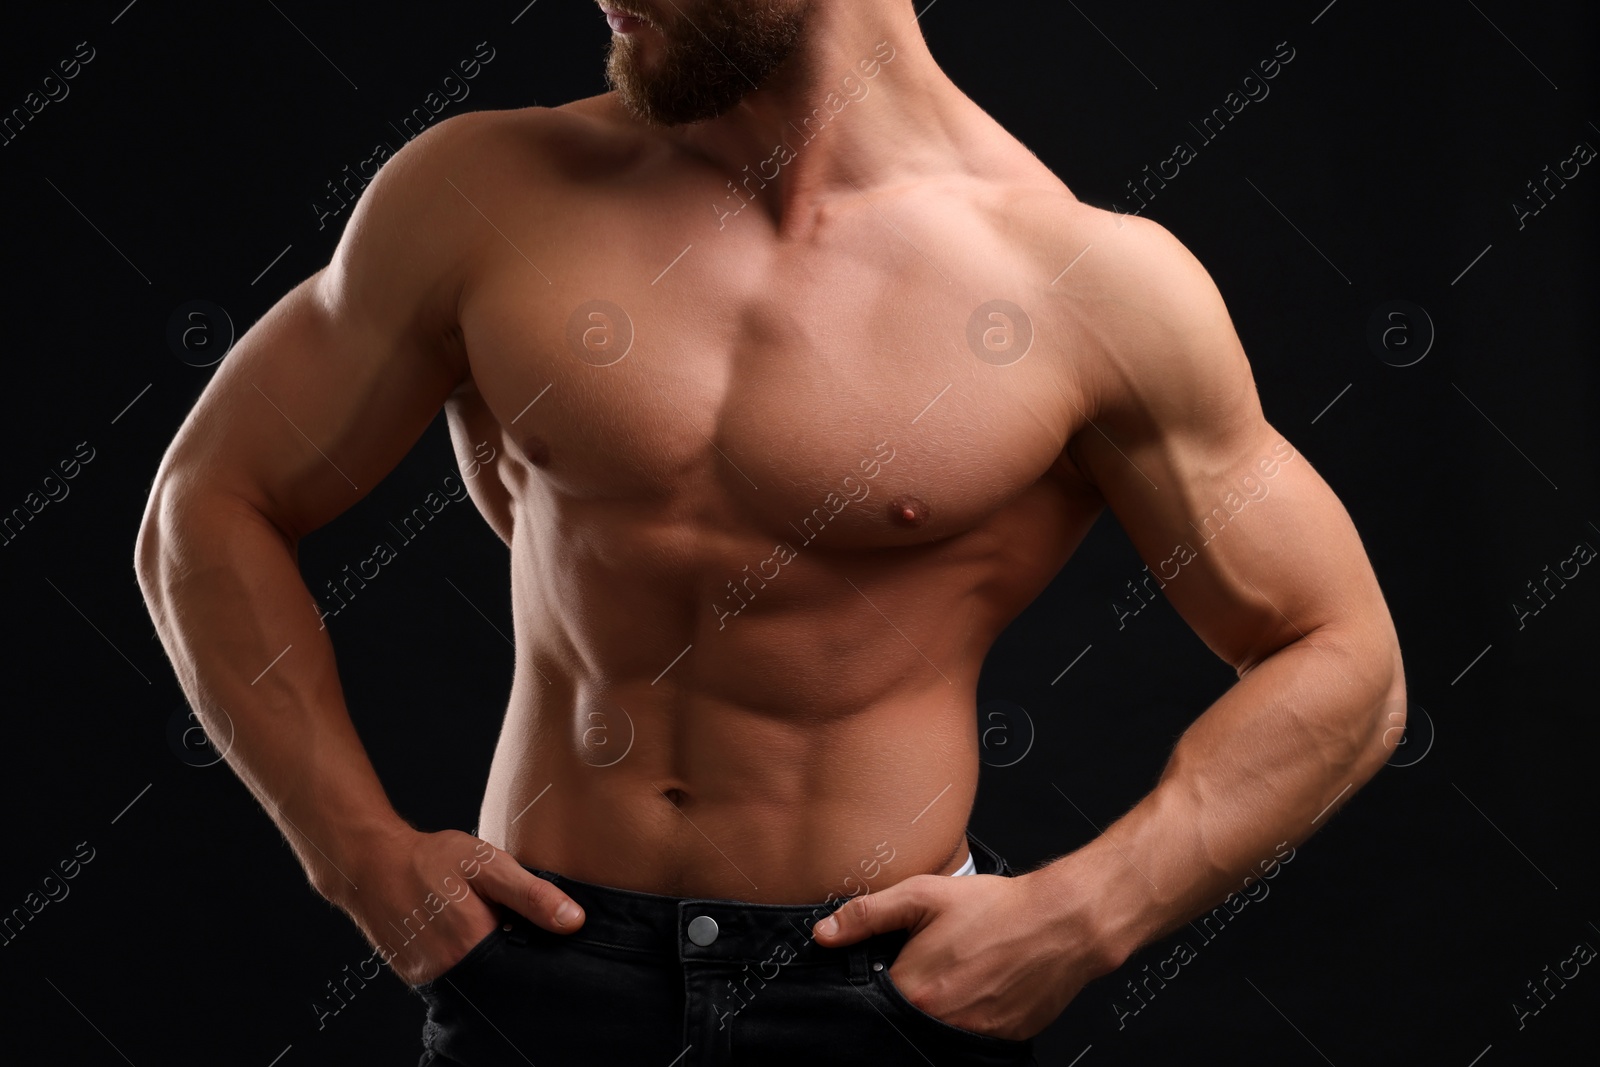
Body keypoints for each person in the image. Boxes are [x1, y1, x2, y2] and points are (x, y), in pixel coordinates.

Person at [135, 1, 1407, 1064]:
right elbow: (208, 501)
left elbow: (1342, 656)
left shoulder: (1083, 285)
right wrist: (356, 855)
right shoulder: (481, 192)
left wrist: (1085, 913)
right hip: (540, 980)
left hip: (872, 1000)